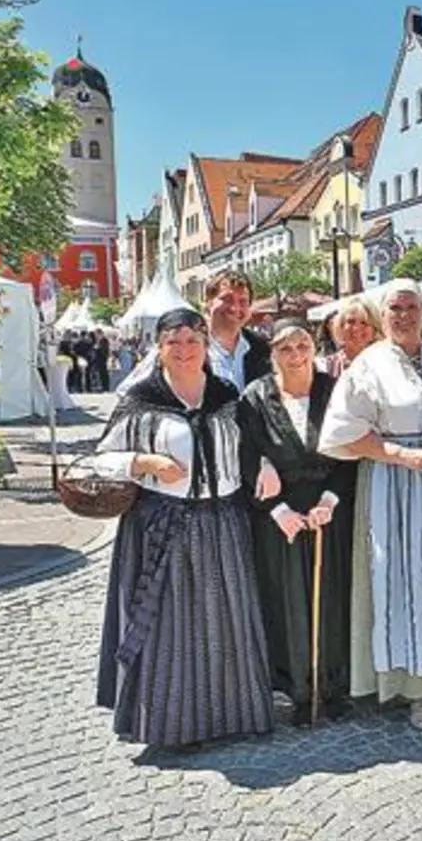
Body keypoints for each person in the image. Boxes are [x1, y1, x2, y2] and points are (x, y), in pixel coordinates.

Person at [90, 307, 278, 748]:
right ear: (158, 348)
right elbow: (100, 459)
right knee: (170, 629)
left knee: (225, 622)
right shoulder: (141, 398)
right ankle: (172, 725)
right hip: (164, 524)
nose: (184, 350)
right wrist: (144, 462)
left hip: (224, 522)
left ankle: (233, 715)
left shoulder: (226, 394)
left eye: (193, 341)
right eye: (173, 342)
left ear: (205, 346)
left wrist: (265, 464)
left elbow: (250, 445)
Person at [316, 279, 422, 733]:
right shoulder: (368, 365)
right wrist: (399, 454)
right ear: (382, 313)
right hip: (395, 487)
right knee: (406, 583)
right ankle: (416, 692)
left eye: (411, 307)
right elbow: (341, 434)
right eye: (395, 308)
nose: (404, 316)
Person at [238, 318, 348, 724]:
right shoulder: (255, 397)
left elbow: (349, 451)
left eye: (303, 346)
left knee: (330, 598)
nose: (296, 355)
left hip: (327, 508)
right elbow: (245, 455)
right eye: (285, 348)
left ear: (314, 349)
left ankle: (331, 686)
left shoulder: (333, 391)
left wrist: (330, 501)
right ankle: (298, 691)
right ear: (272, 354)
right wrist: (277, 510)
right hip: (278, 514)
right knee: (287, 602)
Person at [120, 271, 271, 394]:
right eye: (226, 299)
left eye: (243, 301)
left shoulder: (261, 347)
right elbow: (127, 391)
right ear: (208, 304)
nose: (234, 307)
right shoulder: (184, 342)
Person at [319, 298, 382, 377]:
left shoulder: (385, 365)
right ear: (341, 326)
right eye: (351, 321)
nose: (356, 328)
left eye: (364, 323)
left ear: (375, 330)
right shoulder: (325, 367)